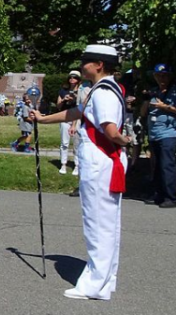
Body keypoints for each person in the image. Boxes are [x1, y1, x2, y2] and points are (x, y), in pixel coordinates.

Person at [34, 44, 130, 300]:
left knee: (98, 222)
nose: (82, 64)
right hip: (102, 160)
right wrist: (43, 119)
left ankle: (94, 284)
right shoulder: (101, 89)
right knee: (104, 222)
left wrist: (125, 140)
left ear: (99, 64)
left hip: (101, 160)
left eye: (87, 61)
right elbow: (78, 112)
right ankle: (104, 280)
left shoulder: (104, 92)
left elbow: (110, 130)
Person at [141, 63, 176, 208]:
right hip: (154, 134)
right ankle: (158, 194)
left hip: (169, 134)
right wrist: (146, 99)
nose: (162, 78)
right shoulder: (154, 92)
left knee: (167, 165)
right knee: (155, 165)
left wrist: (165, 107)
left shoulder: (174, 92)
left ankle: (171, 197)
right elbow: (143, 113)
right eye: (159, 75)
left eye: (165, 75)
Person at [57, 71, 82, 174]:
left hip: (77, 119)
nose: (72, 79)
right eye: (70, 77)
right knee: (64, 142)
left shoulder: (81, 91)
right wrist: (63, 100)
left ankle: (77, 165)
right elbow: (58, 106)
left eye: (75, 77)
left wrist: (74, 125)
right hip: (65, 118)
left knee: (77, 143)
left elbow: (79, 108)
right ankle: (63, 164)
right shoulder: (63, 90)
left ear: (79, 79)